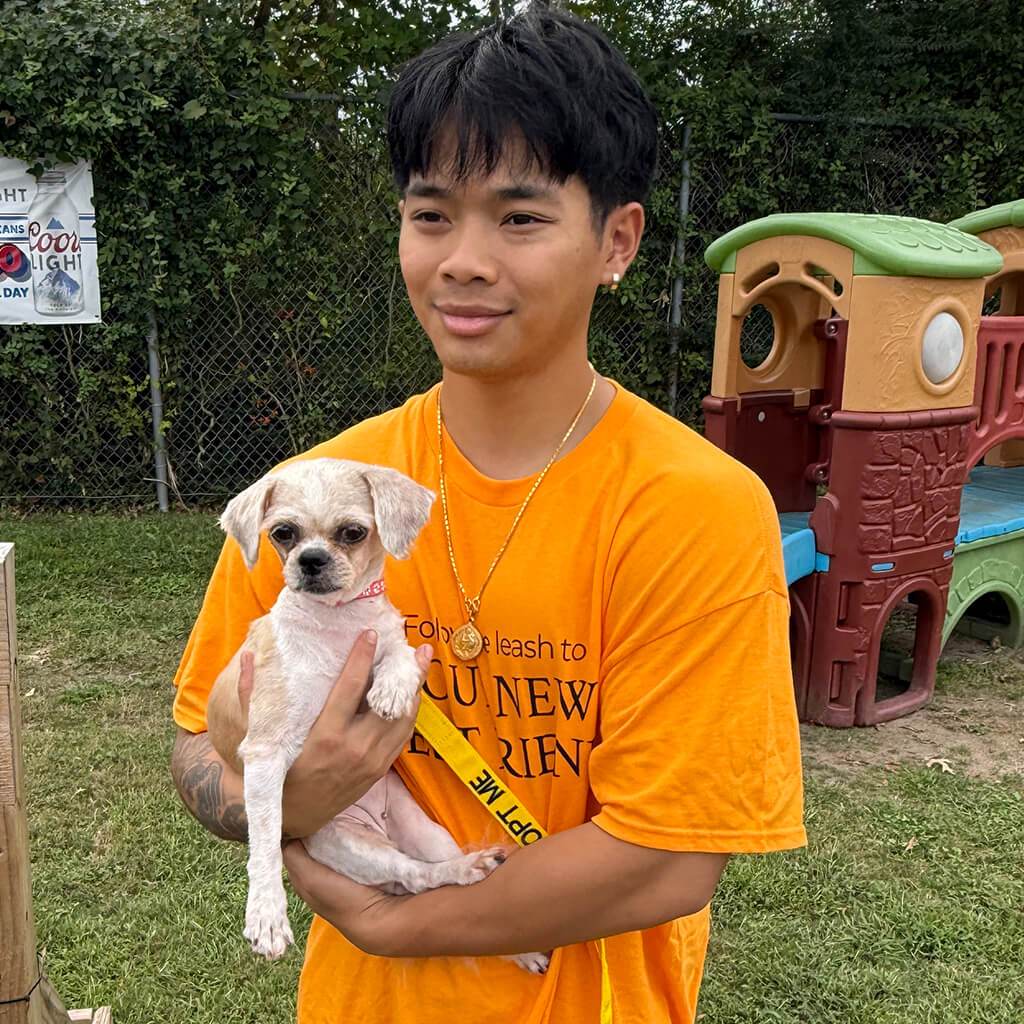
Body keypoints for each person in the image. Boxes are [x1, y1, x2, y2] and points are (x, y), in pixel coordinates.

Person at [171, 7, 806, 1023]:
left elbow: (670, 857)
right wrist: (282, 786)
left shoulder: (694, 509)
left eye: (518, 217)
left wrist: (395, 918)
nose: (463, 258)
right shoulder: (321, 491)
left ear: (618, 240)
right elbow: (198, 743)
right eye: (430, 215)